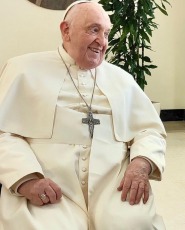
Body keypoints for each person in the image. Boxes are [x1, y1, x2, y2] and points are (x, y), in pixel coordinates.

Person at [0, 1, 166, 229]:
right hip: (48, 180)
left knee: (133, 223)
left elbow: (150, 130)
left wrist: (140, 164)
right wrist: (26, 179)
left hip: (113, 183)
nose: (103, 41)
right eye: (94, 30)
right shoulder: (23, 69)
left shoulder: (122, 79)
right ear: (66, 31)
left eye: (106, 33)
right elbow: (3, 133)